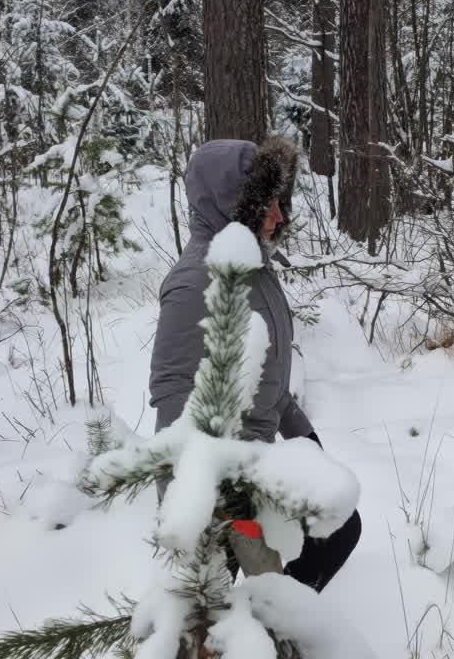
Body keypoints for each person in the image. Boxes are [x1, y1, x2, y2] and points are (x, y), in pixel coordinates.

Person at [149, 136, 361, 592]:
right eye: (269, 204)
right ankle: (272, 620)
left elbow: (270, 377)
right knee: (210, 601)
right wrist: (188, 503)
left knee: (337, 527)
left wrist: (306, 438)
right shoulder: (194, 284)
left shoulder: (256, 271)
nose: (280, 216)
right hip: (224, 486)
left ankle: (277, 617)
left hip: (258, 465)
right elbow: (172, 399)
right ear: (235, 204)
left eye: (282, 203)